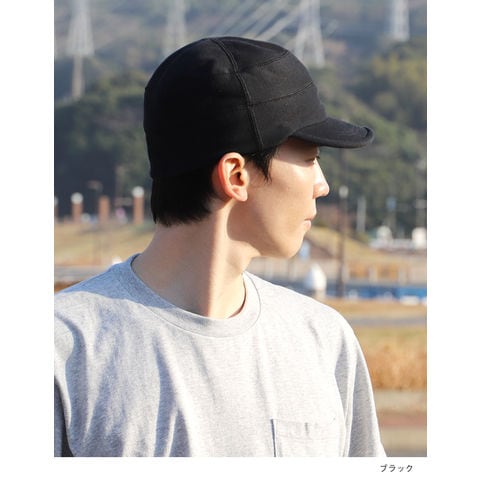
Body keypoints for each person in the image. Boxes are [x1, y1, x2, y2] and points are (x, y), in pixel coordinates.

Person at [55, 36, 385, 457]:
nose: (323, 185)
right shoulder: (60, 347)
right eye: (309, 158)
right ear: (235, 176)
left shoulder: (325, 339)